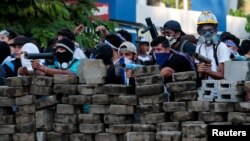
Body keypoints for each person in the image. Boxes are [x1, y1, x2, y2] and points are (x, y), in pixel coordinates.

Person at [195, 11, 230, 80]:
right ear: (199, 32)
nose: (207, 34)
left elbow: (224, 75)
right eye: (204, 31)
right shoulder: (199, 48)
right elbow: (200, 75)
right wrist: (199, 70)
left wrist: (208, 70)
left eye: (210, 30)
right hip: (205, 87)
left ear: (216, 31)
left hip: (219, 88)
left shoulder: (221, 47)